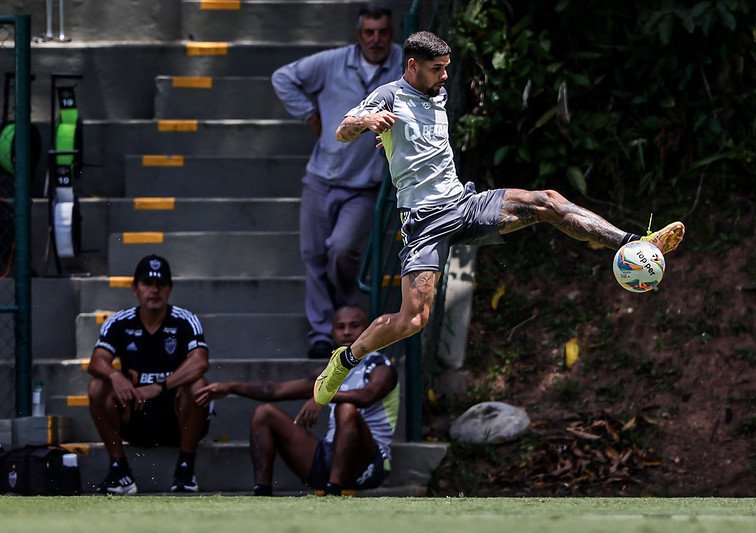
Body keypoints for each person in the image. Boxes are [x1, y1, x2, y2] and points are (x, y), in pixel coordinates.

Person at [313, 31, 687, 406]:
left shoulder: (437, 93)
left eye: (447, 67)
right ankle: (344, 360)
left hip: (463, 204)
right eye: (437, 68)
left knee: (547, 201)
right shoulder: (389, 95)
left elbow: (418, 138)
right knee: (413, 320)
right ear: (413, 66)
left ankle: (633, 241)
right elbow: (342, 131)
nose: (445, 76)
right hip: (424, 221)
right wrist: (367, 120)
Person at [271, 3, 404, 359]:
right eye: (369, 32)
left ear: (391, 33)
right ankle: (321, 332)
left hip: (364, 185)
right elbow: (283, 77)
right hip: (320, 177)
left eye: (382, 32)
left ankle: (345, 315)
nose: (376, 39)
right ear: (358, 34)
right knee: (314, 255)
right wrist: (310, 114)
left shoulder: (401, 65)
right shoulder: (334, 62)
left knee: (342, 250)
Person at [194, 306, 398, 496]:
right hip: (329, 456)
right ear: (332, 333)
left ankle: (334, 491)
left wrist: (320, 397)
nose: (347, 332)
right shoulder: (331, 371)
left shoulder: (380, 365)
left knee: (346, 409)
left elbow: (368, 395)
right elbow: (276, 390)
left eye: (354, 326)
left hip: (369, 463)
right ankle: (262, 492)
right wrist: (230, 387)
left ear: (367, 330)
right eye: (340, 327)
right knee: (264, 413)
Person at [87, 254, 211, 494]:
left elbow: (200, 362)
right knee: (97, 386)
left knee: (198, 385)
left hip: (176, 417)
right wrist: (115, 376)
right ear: (135, 289)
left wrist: (159, 386)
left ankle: (185, 470)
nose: (154, 290)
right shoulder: (119, 322)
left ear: (169, 289)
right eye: (147, 283)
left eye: (161, 284)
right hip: (136, 414)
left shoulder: (186, 320)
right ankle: (120, 471)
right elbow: (97, 361)